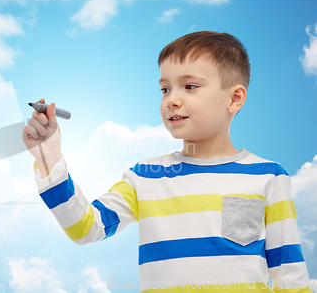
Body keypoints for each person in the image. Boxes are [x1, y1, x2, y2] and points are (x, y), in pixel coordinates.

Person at [22, 31, 311, 292]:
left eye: (190, 86)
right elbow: (86, 229)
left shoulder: (268, 176)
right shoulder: (145, 177)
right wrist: (50, 159)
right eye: (165, 89)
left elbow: (290, 277)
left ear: (234, 99)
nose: (172, 99)